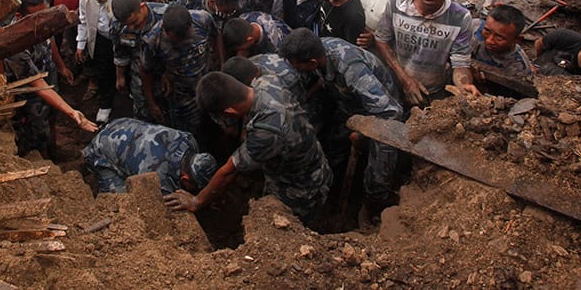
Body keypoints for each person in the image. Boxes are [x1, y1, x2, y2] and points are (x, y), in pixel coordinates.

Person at [165, 71, 332, 226]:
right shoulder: (266, 81)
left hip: (301, 187)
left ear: (229, 111)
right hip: (309, 160)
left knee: (288, 229)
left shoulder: (266, 131)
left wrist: (197, 201)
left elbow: (229, 172)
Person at [278, 29, 403, 225]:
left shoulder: (350, 67)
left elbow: (390, 112)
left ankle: (373, 203)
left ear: (311, 63)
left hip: (379, 117)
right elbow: (322, 80)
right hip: (349, 107)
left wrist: (364, 132)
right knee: (331, 145)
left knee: (380, 164)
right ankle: (330, 191)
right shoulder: (318, 50)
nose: (297, 70)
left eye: (299, 67)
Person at [3, 0, 96, 156]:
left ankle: (54, 149)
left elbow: (49, 40)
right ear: (19, 17)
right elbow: (37, 84)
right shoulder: (14, 46)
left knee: (51, 116)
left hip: (47, 76)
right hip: (30, 96)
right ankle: (45, 159)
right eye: (38, 17)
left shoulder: (39, 22)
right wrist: (71, 112)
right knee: (36, 131)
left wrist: (61, 66)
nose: (43, 20)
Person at [373, 0, 479, 107]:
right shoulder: (397, 4)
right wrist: (405, 79)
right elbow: (381, 40)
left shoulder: (459, 17)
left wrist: (464, 85)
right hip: (395, 81)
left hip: (432, 90)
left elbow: (460, 62)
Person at [83, 118, 217, 195]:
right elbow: (155, 204)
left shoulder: (188, 141)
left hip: (121, 123)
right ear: (185, 178)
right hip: (101, 151)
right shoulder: (157, 176)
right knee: (122, 202)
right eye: (196, 187)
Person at [140, 5, 219, 135]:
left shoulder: (202, 19)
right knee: (188, 130)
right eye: (177, 40)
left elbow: (216, 35)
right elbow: (146, 72)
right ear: (165, 31)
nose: (183, 42)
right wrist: (152, 103)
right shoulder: (152, 40)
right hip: (181, 94)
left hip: (207, 83)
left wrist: (219, 60)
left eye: (185, 36)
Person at [77, 0, 136, 125]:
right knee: (103, 72)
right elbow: (83, 20)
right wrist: (80, 43)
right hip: (101, 38)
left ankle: (133, 98)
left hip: (125, 38)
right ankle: (105, 105)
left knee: (130, 68)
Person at [471, 5, 534, 78]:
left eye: (499, 37)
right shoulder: (474, 27)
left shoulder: (519, 68)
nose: (489, 41)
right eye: (487, 31)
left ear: (517, 40)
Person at [222, 14, 291, 58]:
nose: (240, 51)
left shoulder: (277, 43)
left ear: (250, 40)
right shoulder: (244, 17)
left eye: (241, 48)